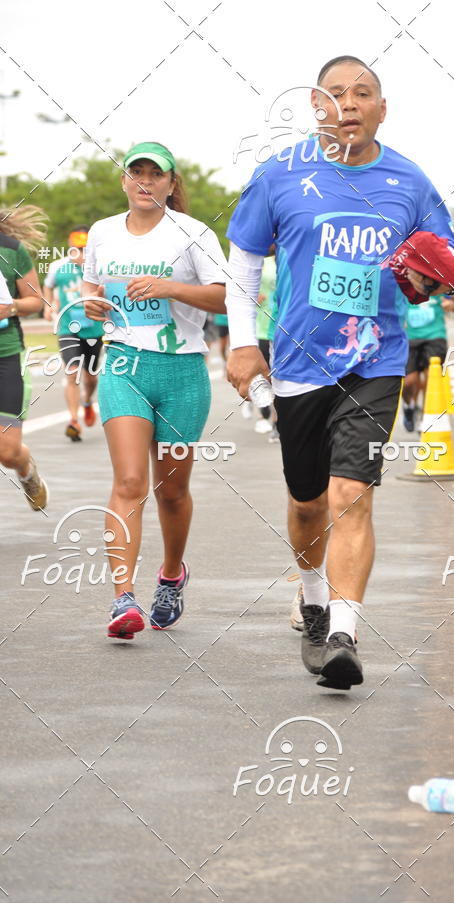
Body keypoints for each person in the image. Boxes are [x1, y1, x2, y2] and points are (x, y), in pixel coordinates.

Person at [225, 56, 454, 690]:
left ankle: (344, 634)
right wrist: (244, 345)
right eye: (336, 94)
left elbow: (443, 255)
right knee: (307, 505)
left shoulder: (410, 182)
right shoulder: (279, 175)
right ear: (316, 107)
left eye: (364, 93)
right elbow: (244, 265)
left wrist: (427, 273)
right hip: (300, 365)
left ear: (383, 109)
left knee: (350, 495)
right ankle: (310, 597)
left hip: (376, 359)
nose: (349, 103)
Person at [82, 141, 226, 640]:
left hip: (182, 371)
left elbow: (226, 299)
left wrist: (170, 288)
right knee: (128, 483)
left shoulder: (193, 234)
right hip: (123, 364)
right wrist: (93, 306)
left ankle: (171, 574)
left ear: (170, 183)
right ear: (124, 180)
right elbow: (91, 290)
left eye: (155, 174)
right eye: (136, 172)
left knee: (172, 491)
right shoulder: (102, 232)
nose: (145, 181)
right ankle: (122, 598)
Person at [0, 206, 49, 510]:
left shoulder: (11, 249)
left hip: (5, 357)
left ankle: (27, 470)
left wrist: (11, 307)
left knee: (7, 451)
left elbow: (35, 301)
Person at [44, 227, 104, 441]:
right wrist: (49, 305)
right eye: (76, 249)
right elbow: (48, 287)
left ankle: (87, 401)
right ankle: (73, 420)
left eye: (84, 249)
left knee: (90, 376)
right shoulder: (57, 267)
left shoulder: (98, 268)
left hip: (94, 329)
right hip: (67, 327)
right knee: (72, 372)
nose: (80, 253)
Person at [402, 292, 454, 432]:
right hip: (410, 336)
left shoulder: (440, 278)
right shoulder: (403, 275)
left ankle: (425, 418)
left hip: (435, 336)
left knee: (431, 380)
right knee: (409, 382)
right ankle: (409, 406)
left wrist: (452, 305)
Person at [255, 253, 278, 436]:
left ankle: (277, 422)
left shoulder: (281, 258)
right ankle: (264, 412)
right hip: (259, 326)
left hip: (281, 325)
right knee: (263, 374)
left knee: (278, 374)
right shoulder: (256, 258)